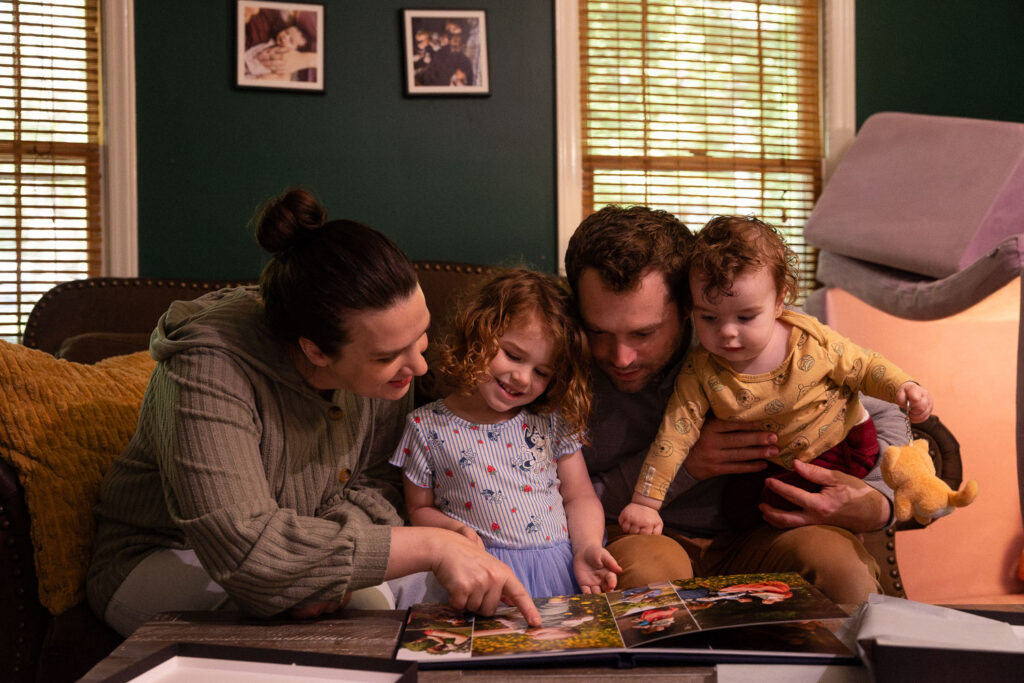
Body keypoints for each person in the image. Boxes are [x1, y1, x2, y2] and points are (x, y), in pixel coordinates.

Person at [86, 188, 540, 637]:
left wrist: (322, 567)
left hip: (302, 550)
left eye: (419, 335)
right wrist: (429, 545)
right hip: (164, 555)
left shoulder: (389, 363)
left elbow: (380, 481)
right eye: (387, 356)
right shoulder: (208, 368)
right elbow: (247, 555)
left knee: (441, 613)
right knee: (354, 631)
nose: (420, 366)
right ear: (315, 351)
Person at [564, 204, 910, 605]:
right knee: (646, 580)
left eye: (644, 333)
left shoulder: (755, 331)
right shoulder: (551, 368)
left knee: (838, 567)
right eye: (599, 331)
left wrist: (877, 505)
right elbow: (545, 496)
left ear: (689, 307)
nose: (621, 357)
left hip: (768, 532)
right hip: (646, 536)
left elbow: (886, 409)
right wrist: (689, 467)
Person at [619, 216, 932, 534]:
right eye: (709, 316)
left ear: (780, 301)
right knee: (742, 511)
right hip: (776, 462)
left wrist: (903, 386)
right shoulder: (701, 371)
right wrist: (646, 503)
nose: (727, 332)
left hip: (844, 444)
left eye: (746, 316)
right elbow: (673, 435)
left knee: (817, 519)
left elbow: (864, 366)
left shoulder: (808, 338)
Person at [391, 269, 621, 599]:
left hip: (559, 568)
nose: (523, 379)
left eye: (542, 372)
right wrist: (457, 533)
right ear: (478, 333)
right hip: (480, 573)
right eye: (513, 355)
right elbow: (418, 510)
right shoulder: (426, 428)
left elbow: (580, 496)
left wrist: (585, 548)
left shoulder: (550, 421)